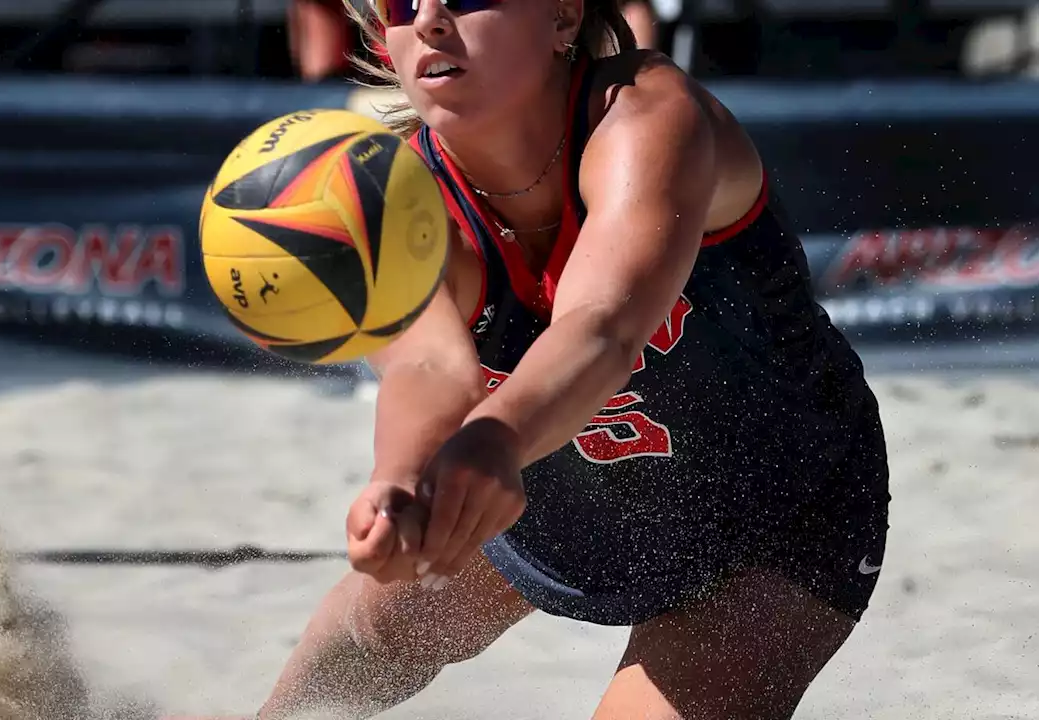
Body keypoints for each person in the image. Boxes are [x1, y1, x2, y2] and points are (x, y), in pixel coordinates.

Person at [201, 0, 891, 718]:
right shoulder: (397, 197)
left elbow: (601, 327)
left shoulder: (649, 115)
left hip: (778, 515)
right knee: (381, 627)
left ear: (563, 17)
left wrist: (493, 437)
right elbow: (428, 367)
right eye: (404, 3)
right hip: (564, 502)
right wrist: (398, 480)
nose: (431, 18)